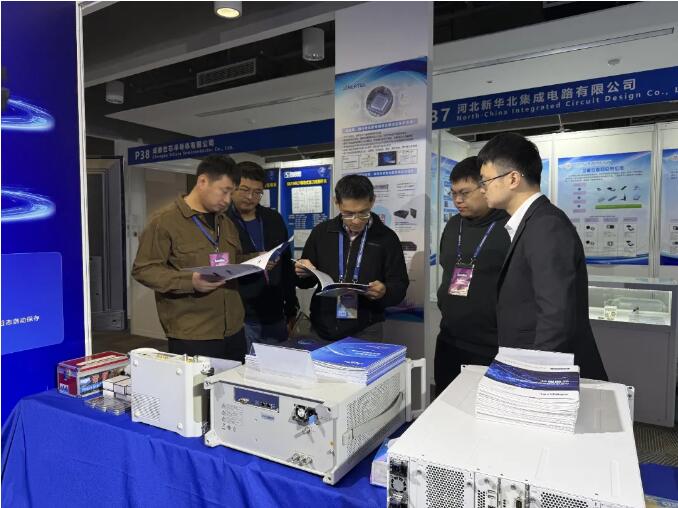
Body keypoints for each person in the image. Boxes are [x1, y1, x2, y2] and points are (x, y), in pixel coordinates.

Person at [477, 132, 607, 380]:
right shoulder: (531, 222)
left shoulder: (546, 225)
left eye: (486, 180)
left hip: (547, 371)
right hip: (527, 359)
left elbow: (555, 315)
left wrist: (537, 378)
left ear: (513, 178)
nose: (482, 189)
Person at [132, 155, 253, 363]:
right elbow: (144, 270)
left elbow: (233, 259)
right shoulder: (164, 222)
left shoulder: (225, 223)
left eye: (231, 193)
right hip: (193, 333)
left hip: (233, 329)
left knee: (231, 384)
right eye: (224, 191)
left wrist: (256, 260)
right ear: (202, 181)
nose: (227, 200)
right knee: (197, 386)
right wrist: (191, 282)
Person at [295, 174, 409, 341]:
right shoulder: (321, 233)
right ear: (337, 203)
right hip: (322, 328)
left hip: (366, 329)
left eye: (363, 213)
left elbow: (399, 285)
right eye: (348, 213)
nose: (356, 221)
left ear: (372, 201)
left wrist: (385, 291)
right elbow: (304, 283)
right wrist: (301, 272)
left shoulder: (386, 238)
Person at [435, 156, 511, 395]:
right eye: (454, 193)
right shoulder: (453, 225)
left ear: (485, 187)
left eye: (465, 193)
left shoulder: (510, 226)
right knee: (445, 403)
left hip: (492, 346)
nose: (458, 200)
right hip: (450, 339)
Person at [227, 161, 299, 350]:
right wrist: (254, 262)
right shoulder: (222, 220)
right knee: (244, 365)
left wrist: (291, 306)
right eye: (244, 190)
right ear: (232, 187)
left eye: (257, 192)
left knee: (277, 365)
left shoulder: (273, 219)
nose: (250, 197)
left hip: (274, 313)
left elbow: (286, 265)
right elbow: (220, 265)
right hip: (240, 314)